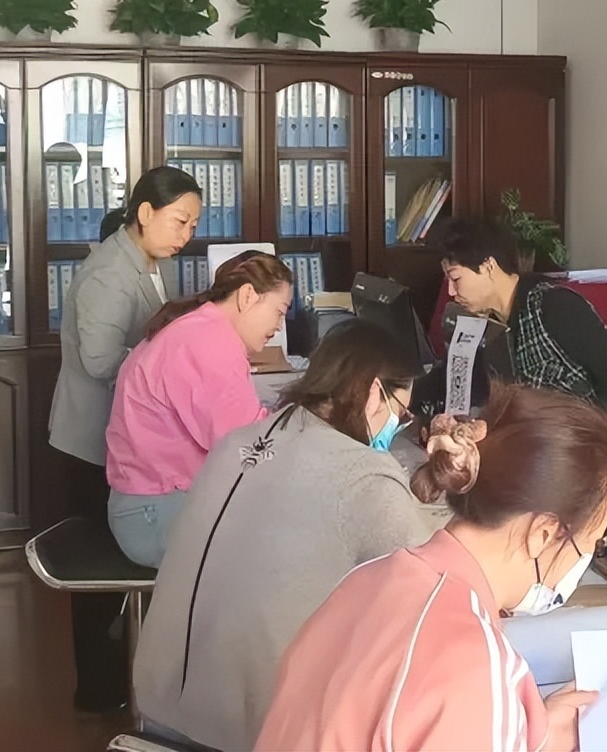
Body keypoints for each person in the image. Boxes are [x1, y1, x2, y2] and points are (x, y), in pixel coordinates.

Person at [131, 320, 449, 751]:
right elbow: (440, 585)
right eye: (400, 413)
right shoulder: (363, 474)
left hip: (156, 707)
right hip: (247, 734)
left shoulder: (237, 442)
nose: (396, 426)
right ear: (375, 392)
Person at [255, 385, 607, 752]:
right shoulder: (472, 663)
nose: (585, 559)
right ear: (543, 534)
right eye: (593, 543)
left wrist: (530, 737)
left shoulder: (369, 578)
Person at [46, 165, 201, 714]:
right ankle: (97, 690)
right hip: (93, 441)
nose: (186, 235)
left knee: (117, 569)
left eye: (193, 224)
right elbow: (99, 361)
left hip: (124, 437)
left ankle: (123, 680)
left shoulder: (147, 261)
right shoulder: (111, 273)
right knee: (99, 578)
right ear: (145, 213)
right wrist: (168, 369)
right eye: (180, 221)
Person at [106, 251, 291, 567]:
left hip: (153, 504)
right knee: (291, 544)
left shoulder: (200, 328)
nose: (279, 325)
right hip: (155, 512)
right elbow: (246, 447)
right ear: (248, 296)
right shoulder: (208, 342)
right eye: (279, 311)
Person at [427, 216, 607, 450]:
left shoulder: (554, 305)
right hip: (542, 445)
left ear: (488, 267)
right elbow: (463, 377)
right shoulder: (488, 322)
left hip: (592, 447)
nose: (451, 291)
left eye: (456, 278)